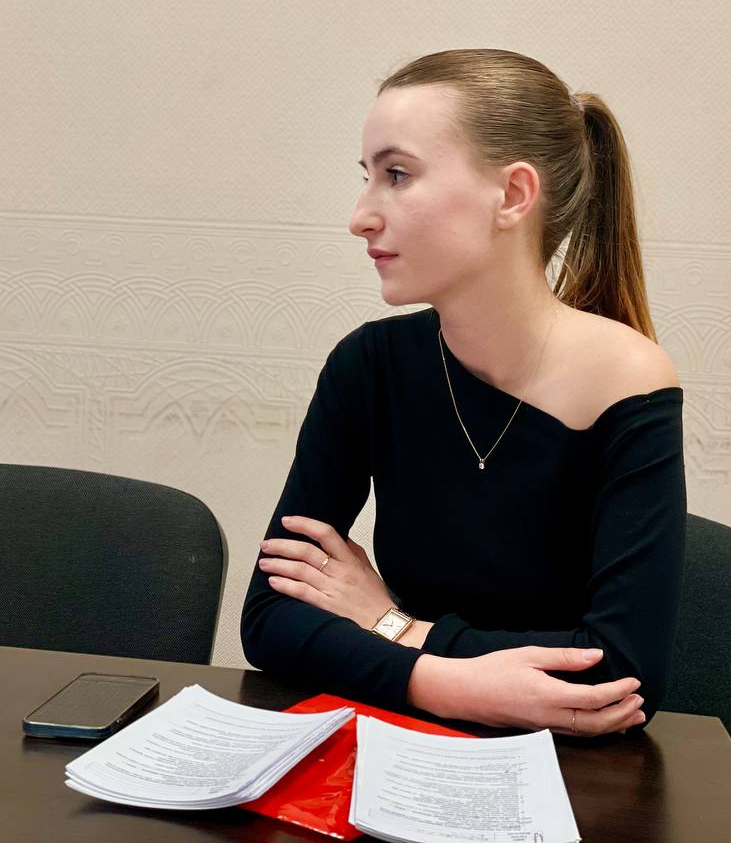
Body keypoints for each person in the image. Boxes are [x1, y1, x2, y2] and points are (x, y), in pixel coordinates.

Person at [240, 48, 685, 739]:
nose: (361, 217)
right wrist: (444, 683)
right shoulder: (369, 365)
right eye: (367, 178)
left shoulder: (629, 379)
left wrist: (393, 625)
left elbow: (618, 677)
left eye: (397, 175)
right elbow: (270, 617)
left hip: (566, 774)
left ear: (512, 195)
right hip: (404, 745)